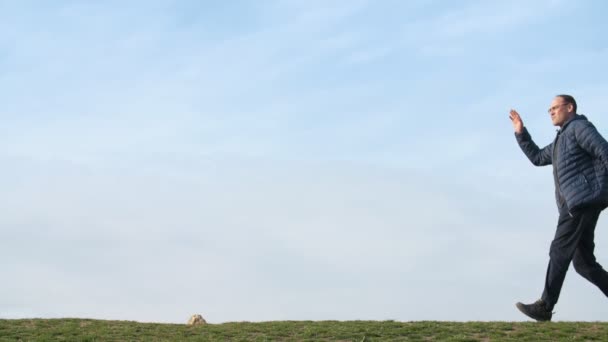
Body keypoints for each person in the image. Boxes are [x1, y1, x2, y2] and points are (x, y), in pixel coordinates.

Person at [509, 94, 608, 321]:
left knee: (559, 250)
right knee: (583, 264)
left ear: (570, 107)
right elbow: (537, 157)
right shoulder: (560, 140)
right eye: (549, 109)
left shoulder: (579, 128)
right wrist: (520, 132)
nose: (551, 112)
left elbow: (604, 151)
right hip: (578, 204)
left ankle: (544, 306)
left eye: (555, 107)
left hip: (582, 202)